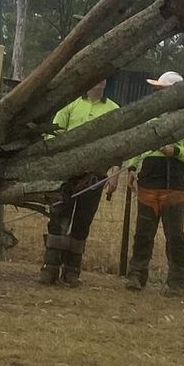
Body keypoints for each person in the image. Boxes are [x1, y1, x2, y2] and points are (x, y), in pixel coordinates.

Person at [121, 70, 184, 293]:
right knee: (143, 233)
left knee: (175, 235)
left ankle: (177, 281)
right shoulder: (151, 118)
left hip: (175, 185)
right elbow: (139, 145)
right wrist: (132, 167)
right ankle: (136, 275)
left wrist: (175, 151)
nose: (157, 92)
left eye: (161, 89)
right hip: (148, 183)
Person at [40, 75, 123, 287]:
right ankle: (50, 268)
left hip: (95, 175)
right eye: (96, 78)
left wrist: (115, 172)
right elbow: (53, 136)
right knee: (58, 219)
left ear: (106, 83)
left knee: (82, 223)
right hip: (67, 175)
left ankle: (72, 271)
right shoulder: (70, 106)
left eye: (103, 78)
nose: (99, 81)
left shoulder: (114, 109)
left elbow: (118, 143)